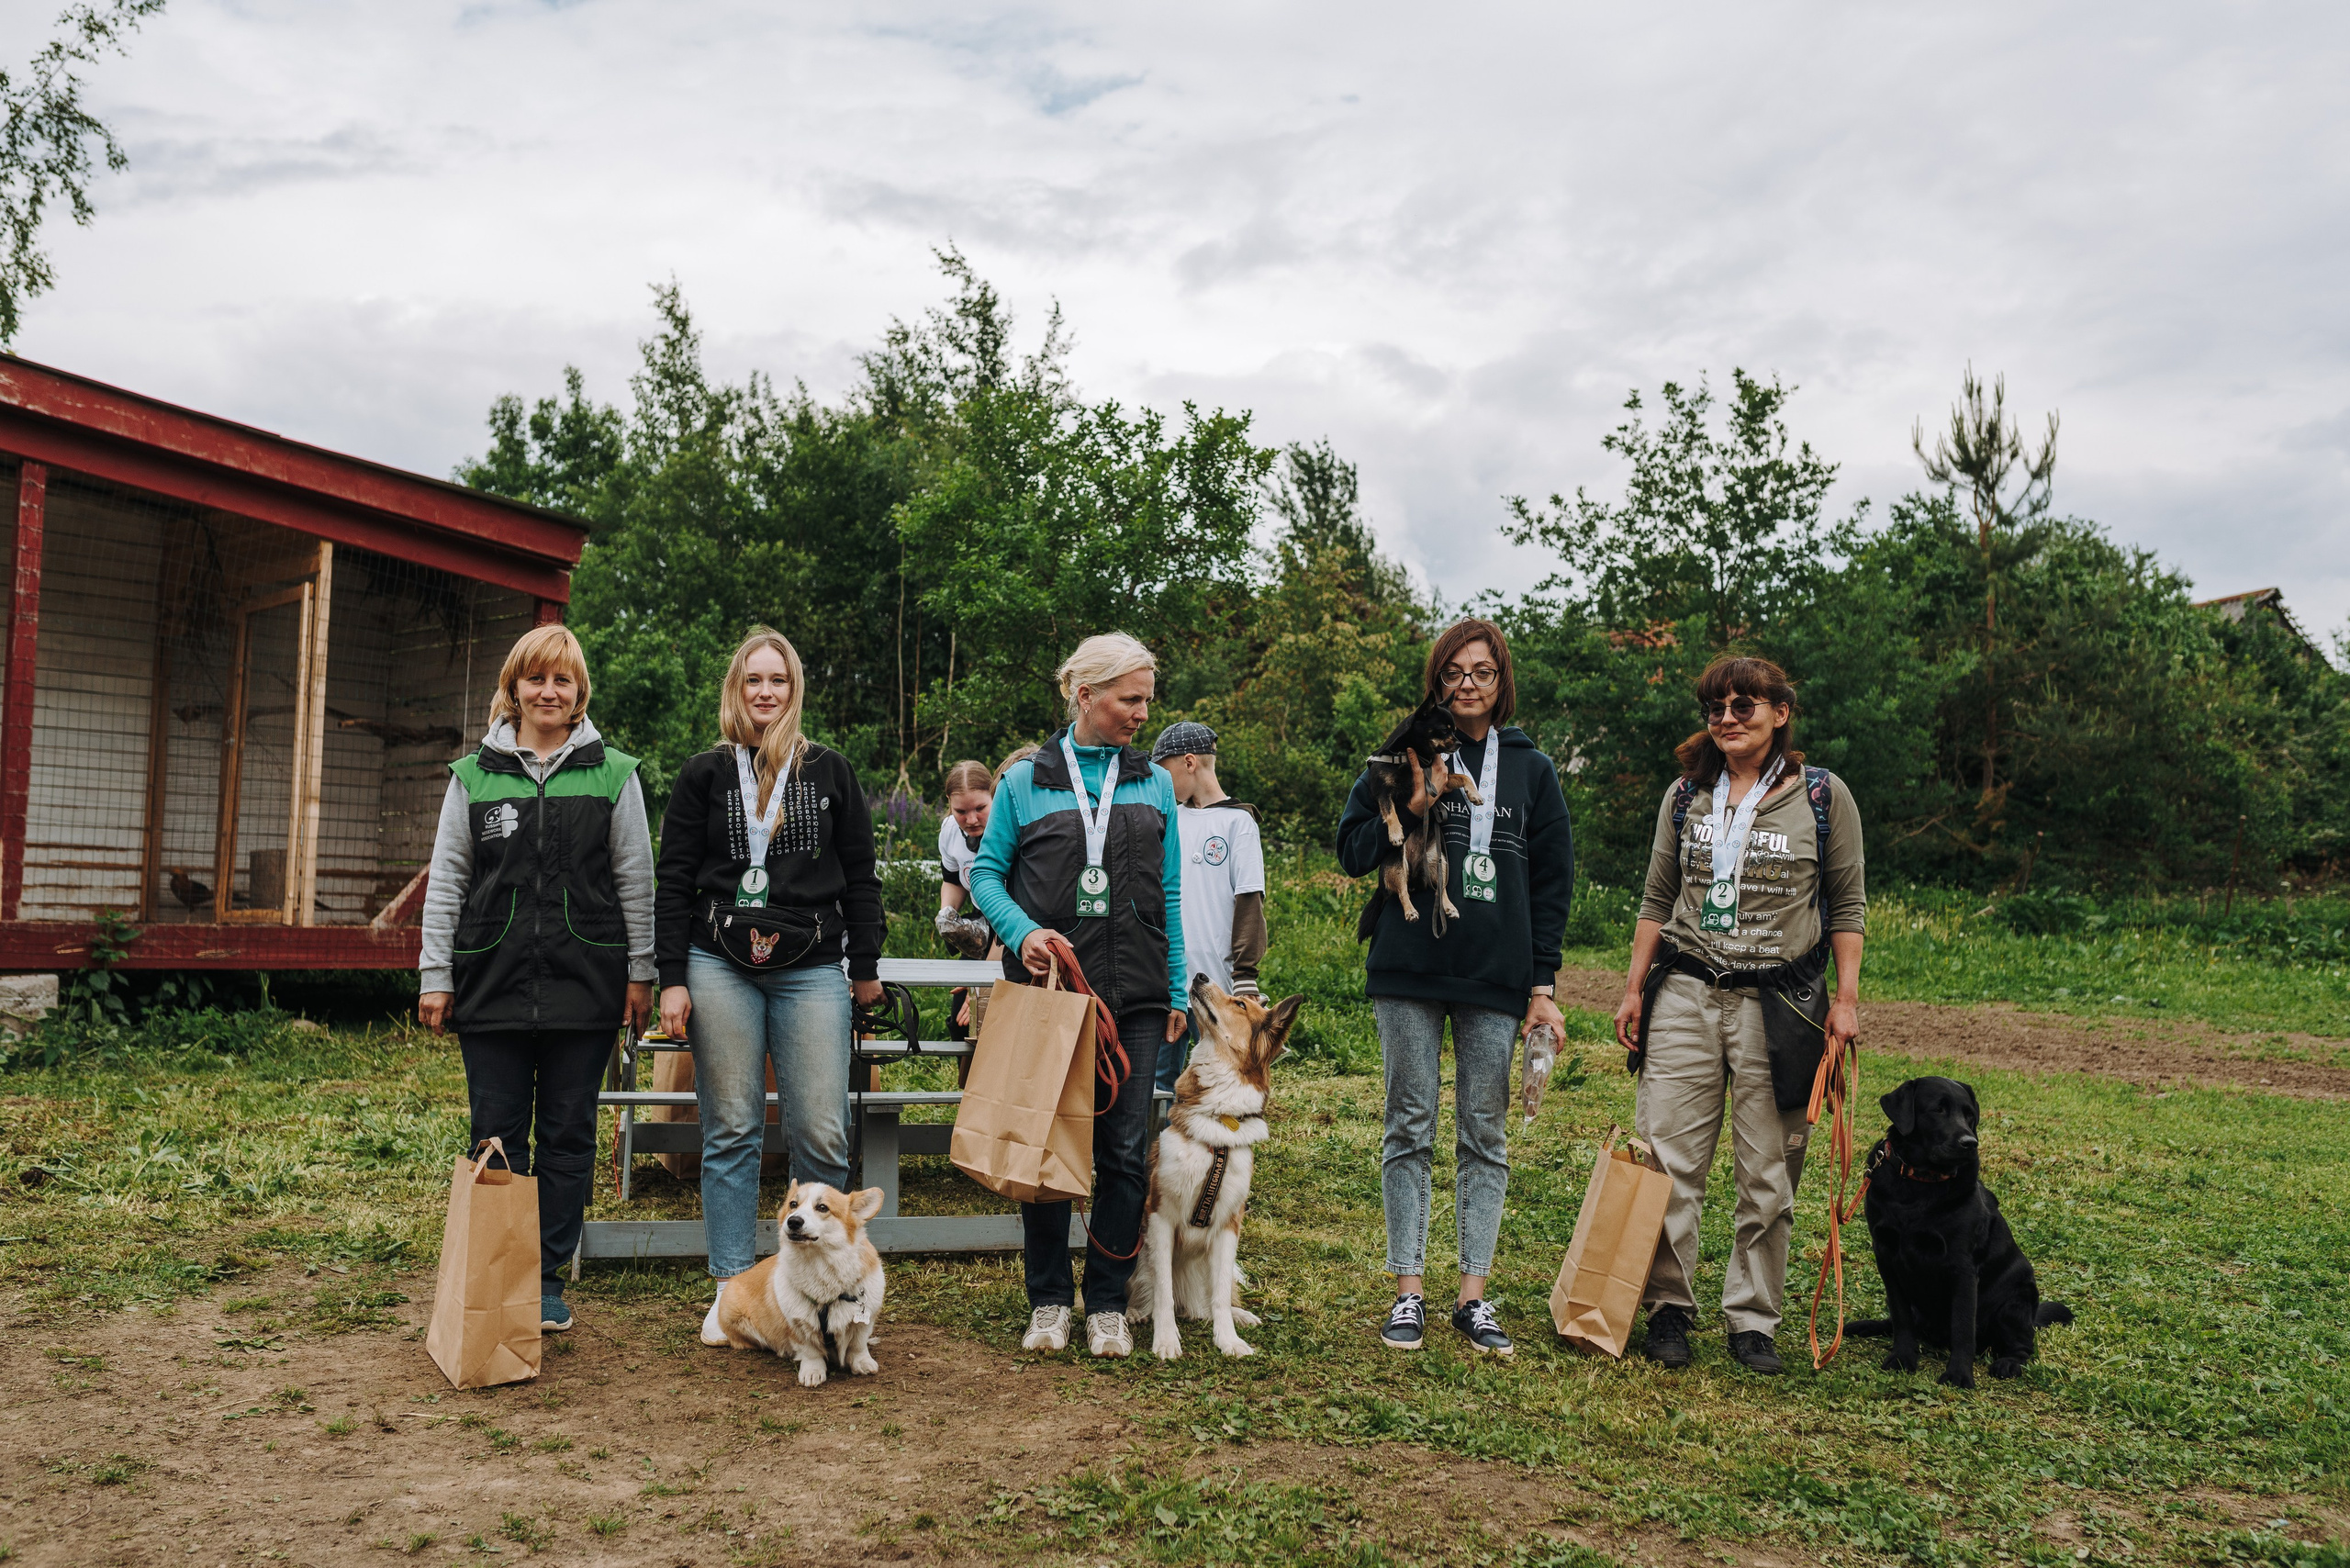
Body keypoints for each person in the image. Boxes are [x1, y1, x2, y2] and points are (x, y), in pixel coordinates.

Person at [1610, 654, 1865, 1376]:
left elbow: (1847, 904)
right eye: (1716, 707)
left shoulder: (1822, 796)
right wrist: (1634, 989)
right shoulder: (1685, 794)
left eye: (1744, 706)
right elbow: (1657, 898)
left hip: (1781, 1005)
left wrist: (1845, 1002)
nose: (1727, 718)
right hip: (1687, 994)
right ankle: (1669, 1311)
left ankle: (1753, 1320)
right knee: (1667, 1163)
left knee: (1768, 1174)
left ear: (1780, 713)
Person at [1336, 617, 1574, 1358]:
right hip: (1408, 967)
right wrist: (1413, 802)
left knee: (1484, 1131)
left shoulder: (1532, 770)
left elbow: (1551, 881)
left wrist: (1543, 984)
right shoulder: (1400, 755)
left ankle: (1474, 1297)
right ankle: (1408, 1291)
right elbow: (1350, 851)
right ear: (1436, 684)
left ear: (1502, 682)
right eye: (1453, 674)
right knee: (1408, 1121)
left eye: (1482, 672)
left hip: (1496, 976)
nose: (1467, 685)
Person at [417, 623, 655, 1334]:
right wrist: (437, 974)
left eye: (563, 681)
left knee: (568, 1134)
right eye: (536, 679)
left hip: (587, 983)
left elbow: (635, 880)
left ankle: (546, 1279)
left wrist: (640, 972)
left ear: (580, 694)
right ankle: (499, 1274)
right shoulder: (473, 776)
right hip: (489, 980)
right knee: (495, 1134)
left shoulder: (616, 773)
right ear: (513, 688)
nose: (549, 692)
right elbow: (448, 882)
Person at [652, 626, 885, 1336]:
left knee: (820, 1129)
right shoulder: (704, 773)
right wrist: (671, 977)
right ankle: (730, 1292)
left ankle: (828, 1291)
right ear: (736, 687)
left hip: (812, 964)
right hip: (718, 961)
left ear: (794, 689)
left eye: (777, 681)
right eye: (753, 680)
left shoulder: (830, 771)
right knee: (732, 1129)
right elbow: (673, 882)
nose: (764, 692)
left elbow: (862, 878)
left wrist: (866, 968)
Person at [968, 633, 1188, 1359]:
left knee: (1125, 1153)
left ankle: (1107, 1306)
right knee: (1047, 1149)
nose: (1142, 714)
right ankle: (1048, 1302)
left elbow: (1173, 891)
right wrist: (1022, 932)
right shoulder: (1025, 781)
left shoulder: (1153, 781)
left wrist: (1177, 984)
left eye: (1147, 699)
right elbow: (987, 876)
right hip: (1052, 996)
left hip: (1138, 998)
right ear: (1085, 695)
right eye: (1131, 699)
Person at [1149, 720, 1267, 1097]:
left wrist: (1245, 974)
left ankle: (1217, 1154)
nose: (1161, 783)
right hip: (1168, 980)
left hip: (1218, 985)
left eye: (1164, 772)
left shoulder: (1239, 822)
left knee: (1222, 1082)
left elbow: (1249, 902)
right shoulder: (1169, 819)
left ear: (1188, 763)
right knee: (1158, 1083)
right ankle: (1158, 1155)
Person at [933, 759, 996, 960]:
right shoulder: (950, 829)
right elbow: (952, 880)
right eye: (960, 811)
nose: (971, 820)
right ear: (949, 802)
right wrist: (947, 916)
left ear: (994, 795)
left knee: (985, 990)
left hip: (1015, 924)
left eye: (980, 808)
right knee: (961, 992)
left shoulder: (1011, 829)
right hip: (981, 923)